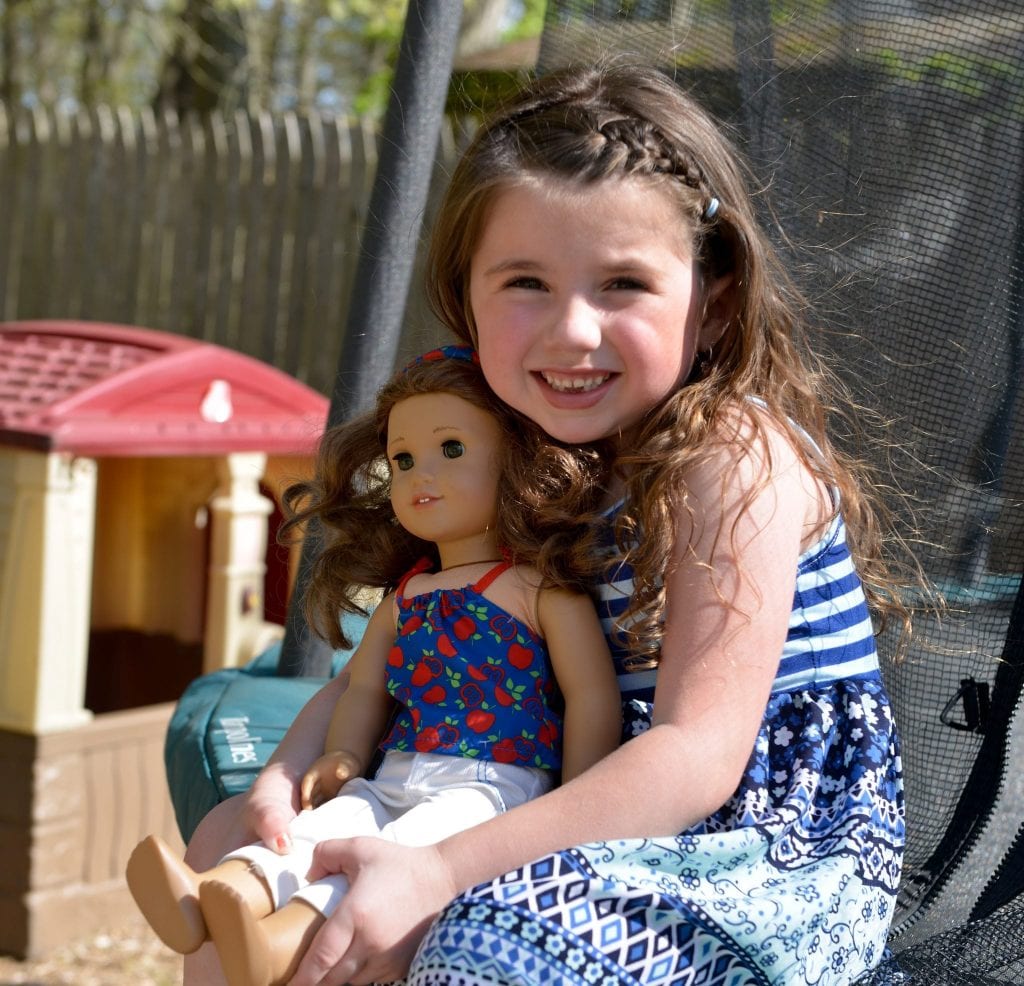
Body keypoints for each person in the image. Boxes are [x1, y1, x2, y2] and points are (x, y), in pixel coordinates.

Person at [183, 62, 913, 986]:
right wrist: (285, 784)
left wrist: (439, 871)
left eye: (623, 284)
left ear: (715, 300)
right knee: (233, 850)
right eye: (526, 281)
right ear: (466, 294)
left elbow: (696, 760)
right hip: (544, 790)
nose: (572, 331)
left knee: (478, 941)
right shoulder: (507, 445)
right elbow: (407, 649)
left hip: (762, 856)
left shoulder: (733, 457)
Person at [127, 347, 621, 986]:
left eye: (451, 449)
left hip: (493, 784)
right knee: (331, 828)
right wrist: (344, 754)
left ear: (519, 464)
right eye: (403, 460)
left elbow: (590, 697)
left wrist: (577, 805)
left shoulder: (539, 589)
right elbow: (361, 687)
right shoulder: (407, 597)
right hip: (397, 768)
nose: (420, 476)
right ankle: (220, 892)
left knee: (388, 860)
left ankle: (276, 943)